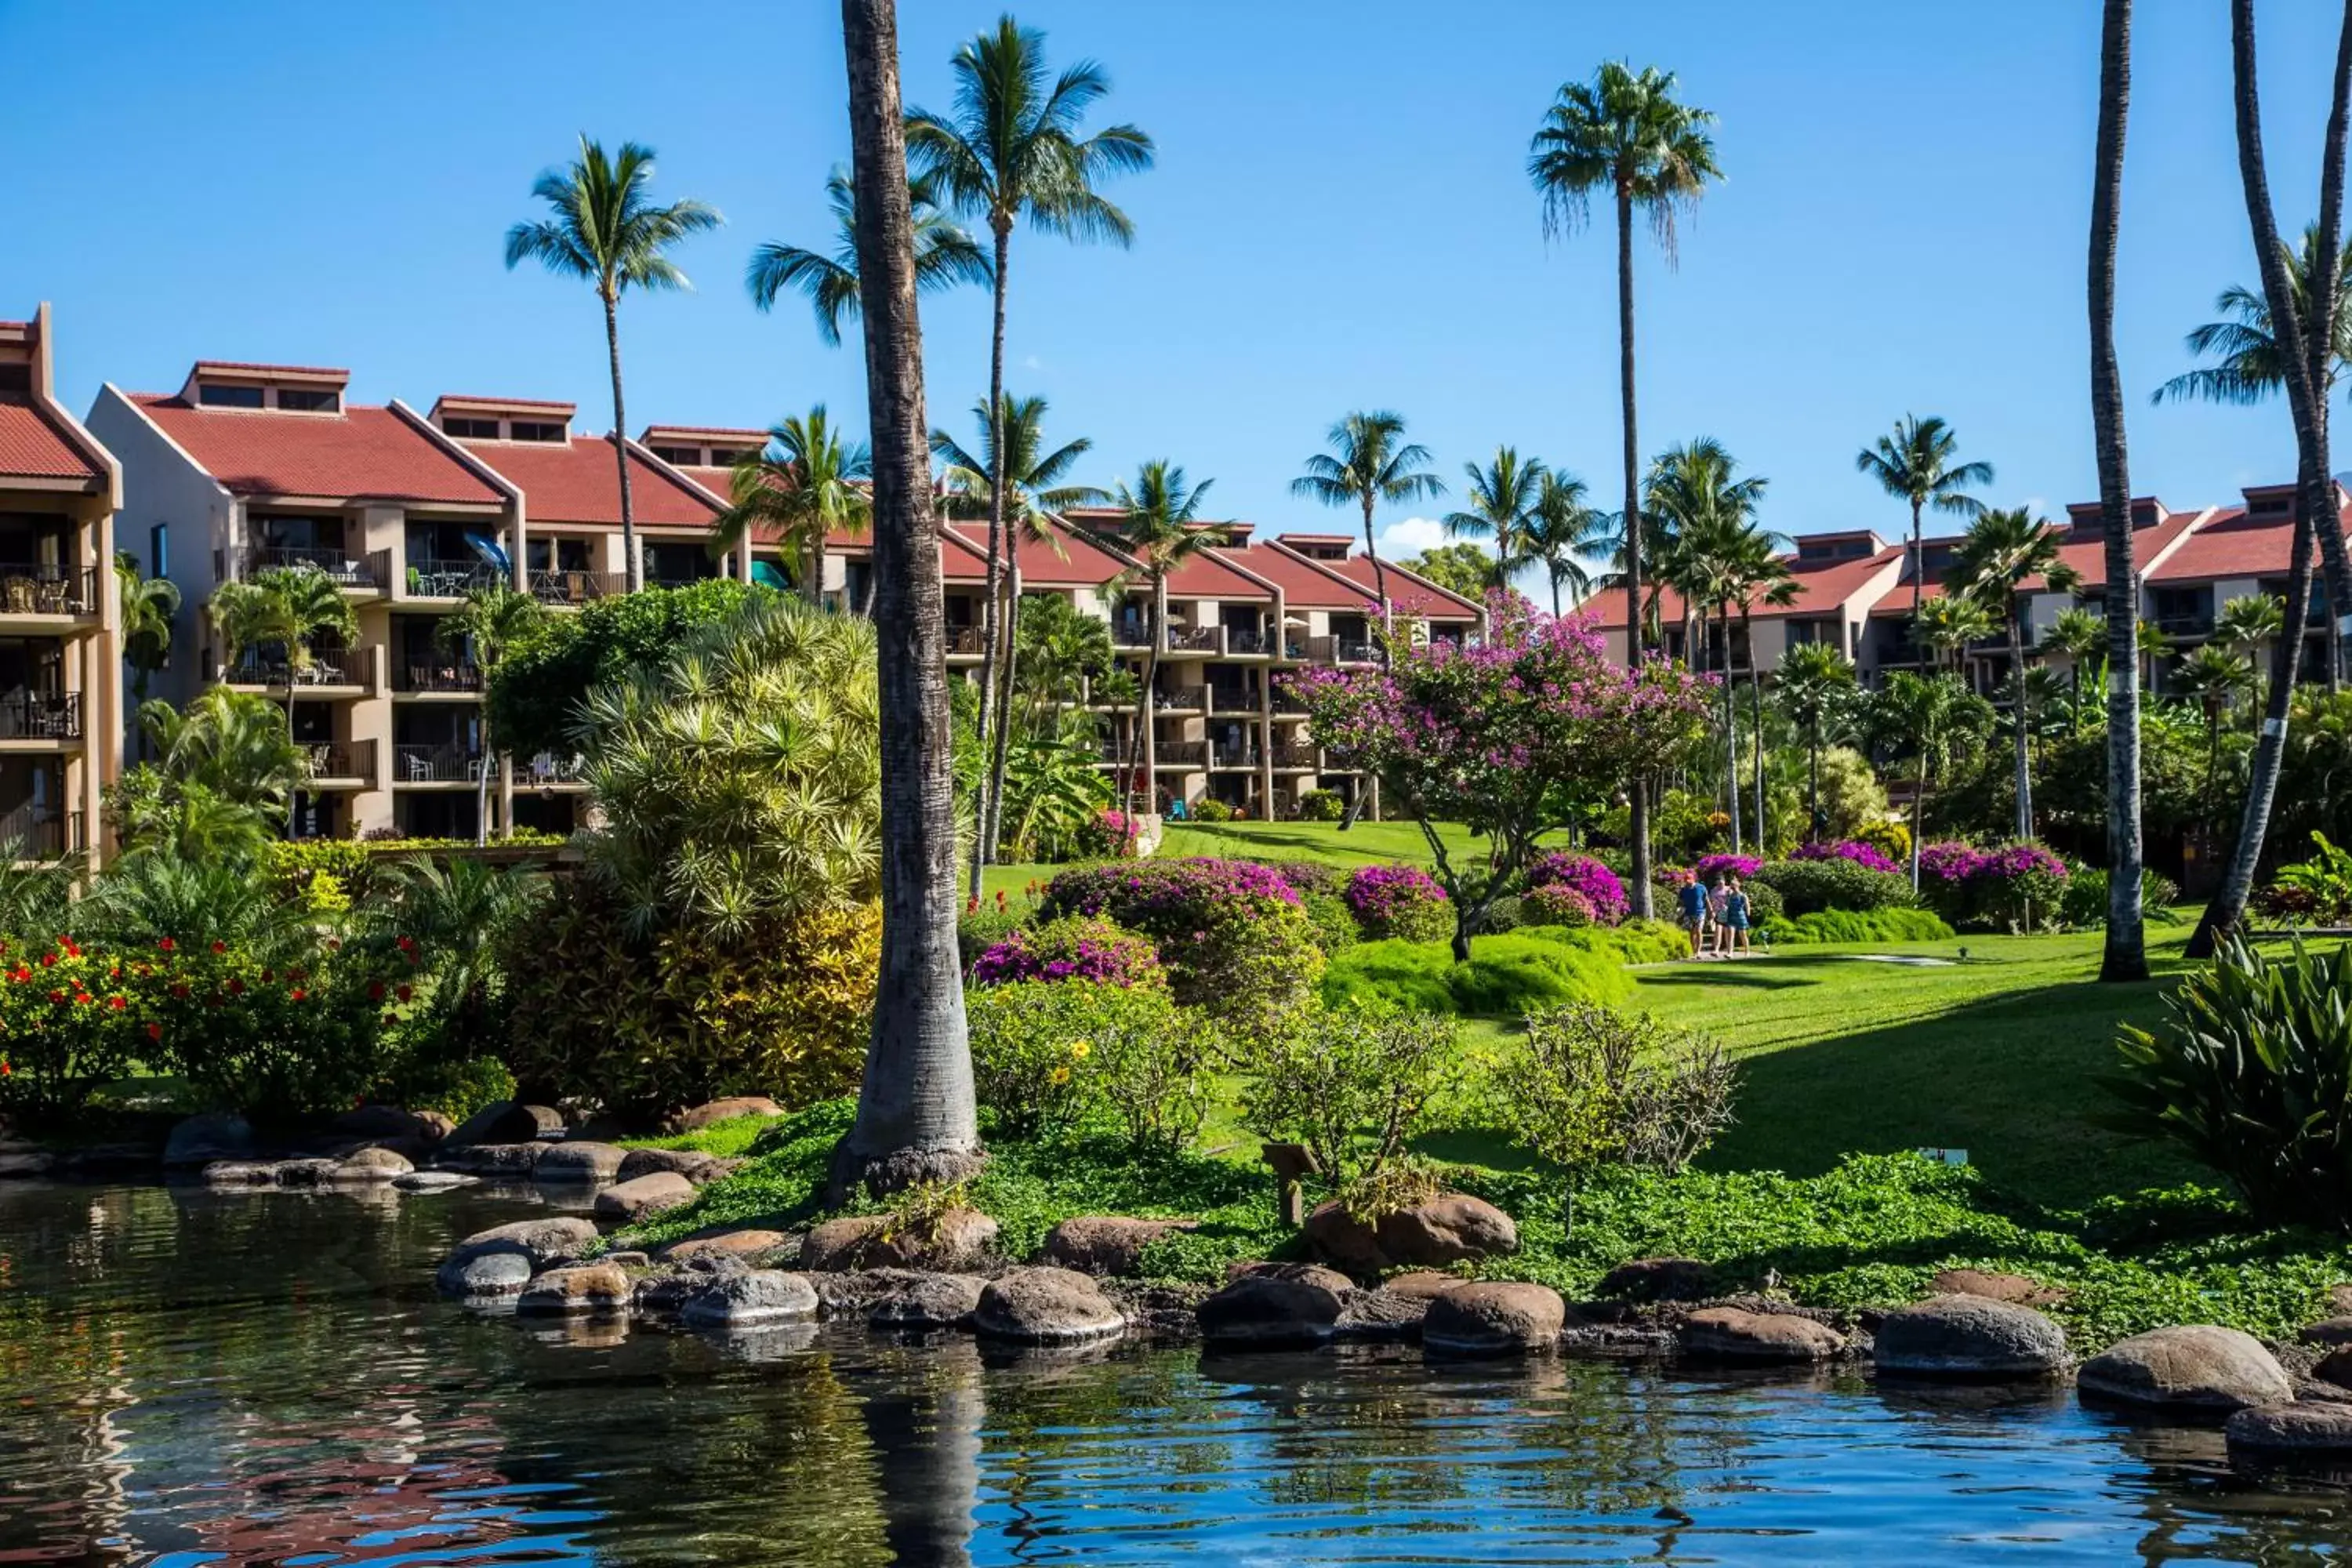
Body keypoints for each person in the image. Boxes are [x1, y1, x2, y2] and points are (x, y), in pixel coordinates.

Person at [1675, 869, 1711, 958]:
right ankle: (1694, 951)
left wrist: (1711, 911)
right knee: (1691, 932)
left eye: (1689, 880)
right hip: (1688, 913)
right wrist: (1678, 910)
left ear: (1693, 879)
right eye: (1686, 880)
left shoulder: (1701, 887)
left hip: (1700, 912)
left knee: (1698, 930)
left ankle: (1698, 951)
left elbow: (1707, 900)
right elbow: (1680, 902)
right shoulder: (1683, 890)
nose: (1687, 882)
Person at [1721, 873, 1753, 957]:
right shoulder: (1730, 896)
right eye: (1731, 886)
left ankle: (1747, 951)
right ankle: (1730, 953)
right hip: (1731, 916)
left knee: (1743, 935)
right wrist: (1727, 896)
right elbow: (1727, 904)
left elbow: (1747, 904)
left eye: (1734, 886)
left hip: (1740, 916)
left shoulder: (1742, 895)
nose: (1732, 888)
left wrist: (1748, 912)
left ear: (1737, 886)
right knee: (1731, 934)